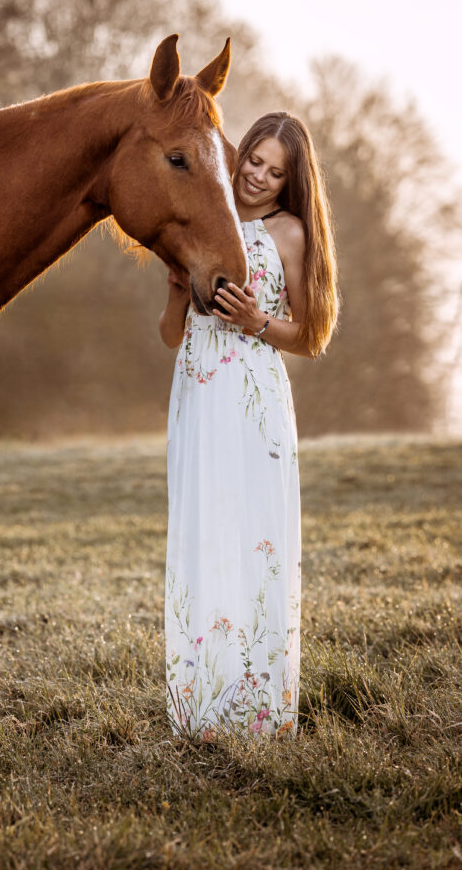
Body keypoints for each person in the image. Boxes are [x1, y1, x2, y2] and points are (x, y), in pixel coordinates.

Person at [160, 111, 338, 740]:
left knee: (252, 540)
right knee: (203, 535)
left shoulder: (289, 232)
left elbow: (313, 334)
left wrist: (257, 322)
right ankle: (201, 702)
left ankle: (258, 709)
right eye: (253, 161)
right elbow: (168, 335)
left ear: (291, 181)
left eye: (275, 171)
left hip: (251, 393)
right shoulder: (204, 216)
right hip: (196, 394)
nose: (258, 177)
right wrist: (180, 289)